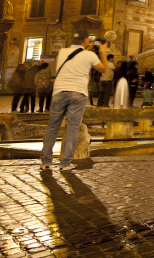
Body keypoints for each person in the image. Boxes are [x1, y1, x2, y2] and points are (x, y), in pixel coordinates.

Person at [40, 29, 108, 171]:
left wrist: (89, 45)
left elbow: (78, 53)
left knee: (52, 127)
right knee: (72, 128)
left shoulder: (63, 52)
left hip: (59, 91)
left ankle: (45, 162)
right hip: (78, 93)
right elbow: (103, 69)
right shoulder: (89, 55)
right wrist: (102, 51)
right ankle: (65, 164)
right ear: (86, 40)